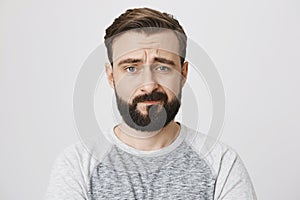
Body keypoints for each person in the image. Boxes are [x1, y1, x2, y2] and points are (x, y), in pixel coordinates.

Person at [45, 7, 257, 200]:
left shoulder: (222, 164)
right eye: (131, 68)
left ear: (183, 74)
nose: (148, 85)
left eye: (163, 67)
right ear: (111, 76)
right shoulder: (77, 164)